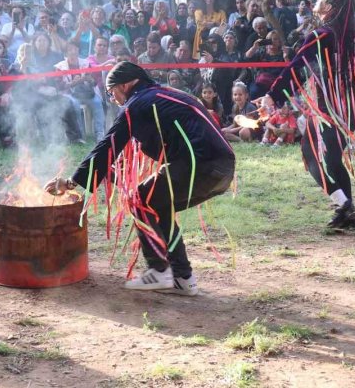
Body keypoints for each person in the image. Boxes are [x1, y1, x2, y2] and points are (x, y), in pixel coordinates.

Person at [44, 62, 235, 295]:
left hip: (201, 164)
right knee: (157, 204)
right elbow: (130, 150)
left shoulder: (137, 103)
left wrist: (71, 182)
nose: (112, 98)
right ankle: (182, 278)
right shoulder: (161, 96)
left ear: (124, 85)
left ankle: (159, 271)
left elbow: (108, 146)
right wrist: (107, 172)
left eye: (111, 92)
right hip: (223, 168)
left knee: (139, 200)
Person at [263, 0, 355, 231]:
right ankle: (348, 215)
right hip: (351, 107)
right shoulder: (350, 36)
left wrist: (272, 95)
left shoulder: (321, 35)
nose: (318, 1)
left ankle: (345, 205)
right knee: (333, 159)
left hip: (331, 108)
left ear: (330, 7)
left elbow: (296, 68)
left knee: (311, 155)